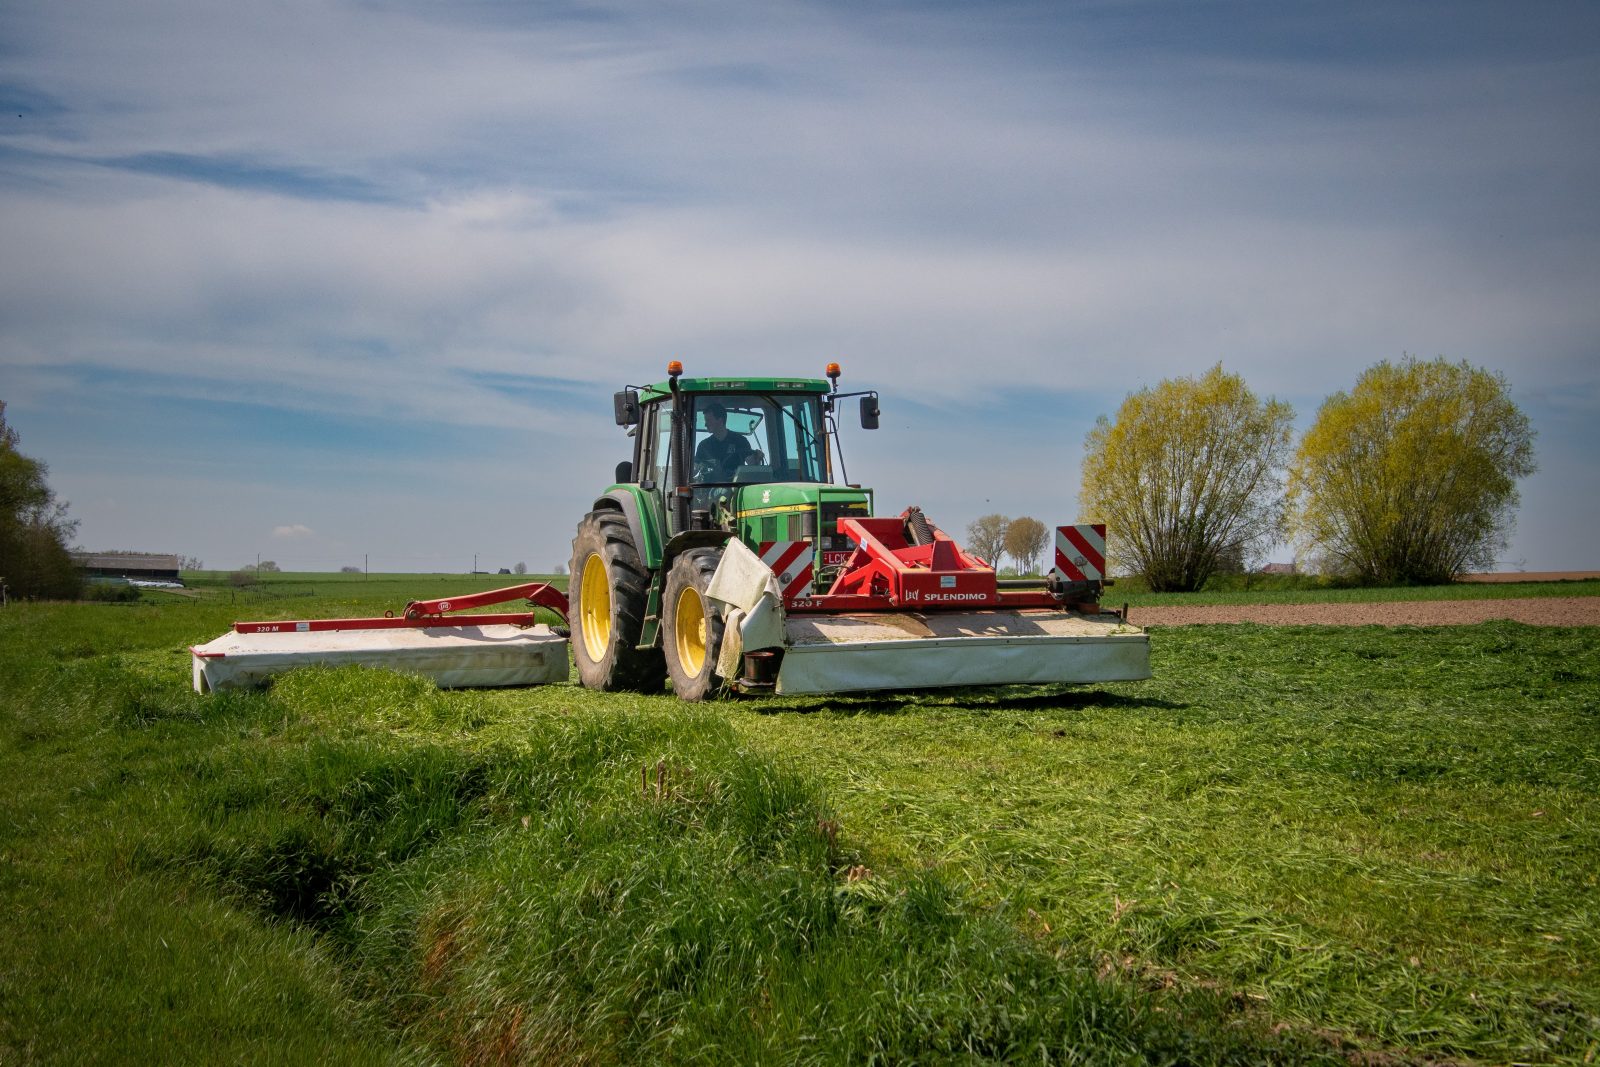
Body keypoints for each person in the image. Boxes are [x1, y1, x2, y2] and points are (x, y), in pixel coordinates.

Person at [694, 400, 755, 481]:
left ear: (720, 420)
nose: (705, 424)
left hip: (735, 487)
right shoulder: (703, 445)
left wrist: (756, 458)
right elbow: (694, 469)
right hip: (709, 489)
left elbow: (752, 464)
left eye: (708, 420)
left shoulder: (740, 441)